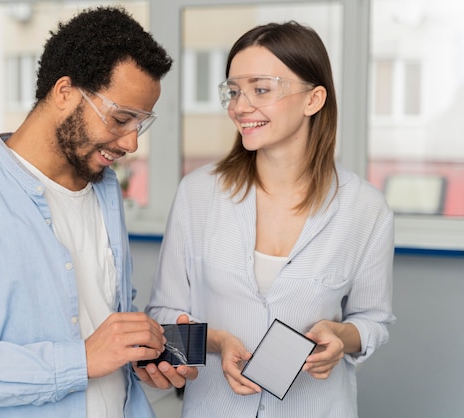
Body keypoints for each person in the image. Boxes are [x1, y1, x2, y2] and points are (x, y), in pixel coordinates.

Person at [0, 6, 196, 418]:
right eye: (121, 118)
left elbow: (94, 318)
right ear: (65, 92)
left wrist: (143, 353)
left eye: (140, 124)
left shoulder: (105, 192)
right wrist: (79, 360)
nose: (131, 144)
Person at [146, 20, 395, 417]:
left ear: (313, 100)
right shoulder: (197, 193)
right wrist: (215, 342)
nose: (240, 106)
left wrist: (340, 337)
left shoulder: (365, 209)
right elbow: (160, 323)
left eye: (260, 89)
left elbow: (373, 321)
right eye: (233, 91)